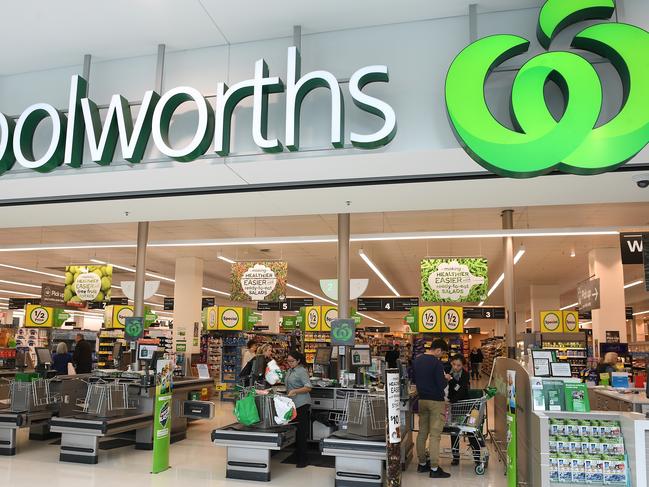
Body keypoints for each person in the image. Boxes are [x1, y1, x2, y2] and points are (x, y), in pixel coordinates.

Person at [413, 338, 451, 479]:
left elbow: (414, 379)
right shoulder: (436, 362)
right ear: (438, 350)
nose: (441, 356)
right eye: (442, 353)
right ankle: (434, 468)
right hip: (436, 402)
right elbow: (441, 384)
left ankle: (422, 464)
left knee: (422, 433)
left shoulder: (417, 360)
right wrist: (446, 378)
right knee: (435, 435)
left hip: (422, 400)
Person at [447, 354, 482, 466]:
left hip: (465, 406)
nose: (456, 367)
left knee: (470, 431)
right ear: (451, 362)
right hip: (454, 407)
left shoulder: (465, 375)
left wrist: (451, 381)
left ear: (463, 365)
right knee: (454, 431)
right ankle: (455, 457)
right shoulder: (447, 371)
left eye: (459, 365)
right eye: (454, 364)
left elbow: (461, 390)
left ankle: (477, 457)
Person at [285, 350, 312, 468]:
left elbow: (308, 387)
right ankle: (297, 454)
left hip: (302, 404)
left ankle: (303, 459)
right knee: (295, 431)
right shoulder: (290, 370)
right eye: (288, 361)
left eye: (292, 361)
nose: (290, 363)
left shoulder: (301, 371)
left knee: (301, 432)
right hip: (293, 404)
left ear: (298, 361)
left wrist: (295, 391)